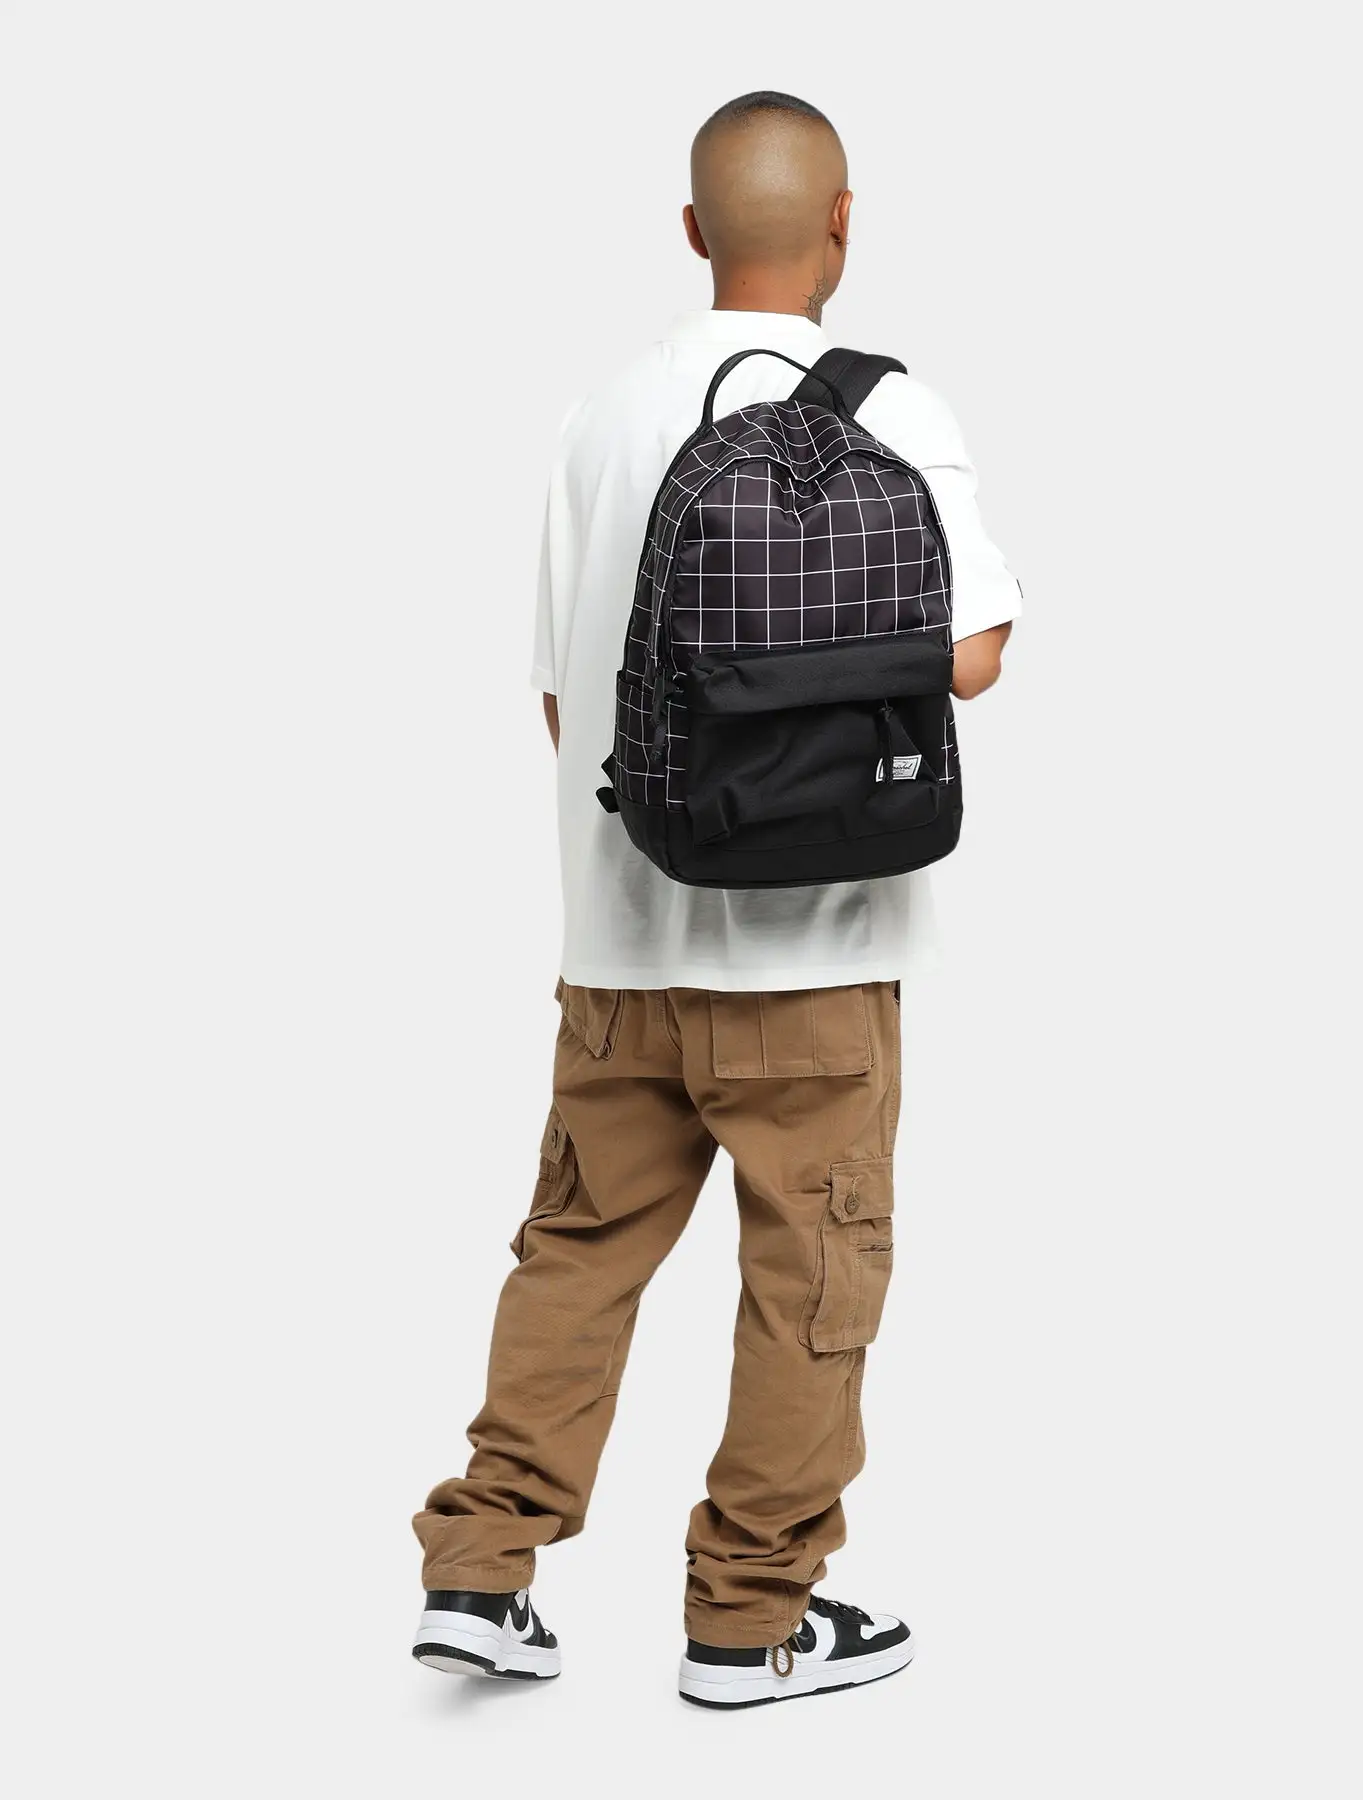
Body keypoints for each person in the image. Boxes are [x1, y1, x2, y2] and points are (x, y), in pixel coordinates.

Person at [412, 90, 1020, 1709]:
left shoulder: (599, 414)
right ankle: (749, 1621)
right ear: (844, 223)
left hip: (621, 949)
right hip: (818, 955)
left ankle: (480, 1570)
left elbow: (567, 700)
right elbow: (971, 659)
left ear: (691, 230)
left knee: (577, 1252)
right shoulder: (897, 410)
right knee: (811, 1280)